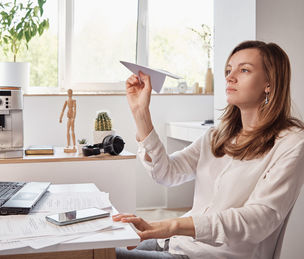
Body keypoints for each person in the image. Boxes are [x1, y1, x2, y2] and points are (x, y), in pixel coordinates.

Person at [113, 40, 304, 259]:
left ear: (269, 83)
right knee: (96, 250)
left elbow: (258, 220)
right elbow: (166, 173)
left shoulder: (290, 142)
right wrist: (141, 113)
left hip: (207, 255)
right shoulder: (217, 136)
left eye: (244, 70)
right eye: (229, 70)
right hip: (174, 244)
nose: (230, 77)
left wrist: (173, 225)